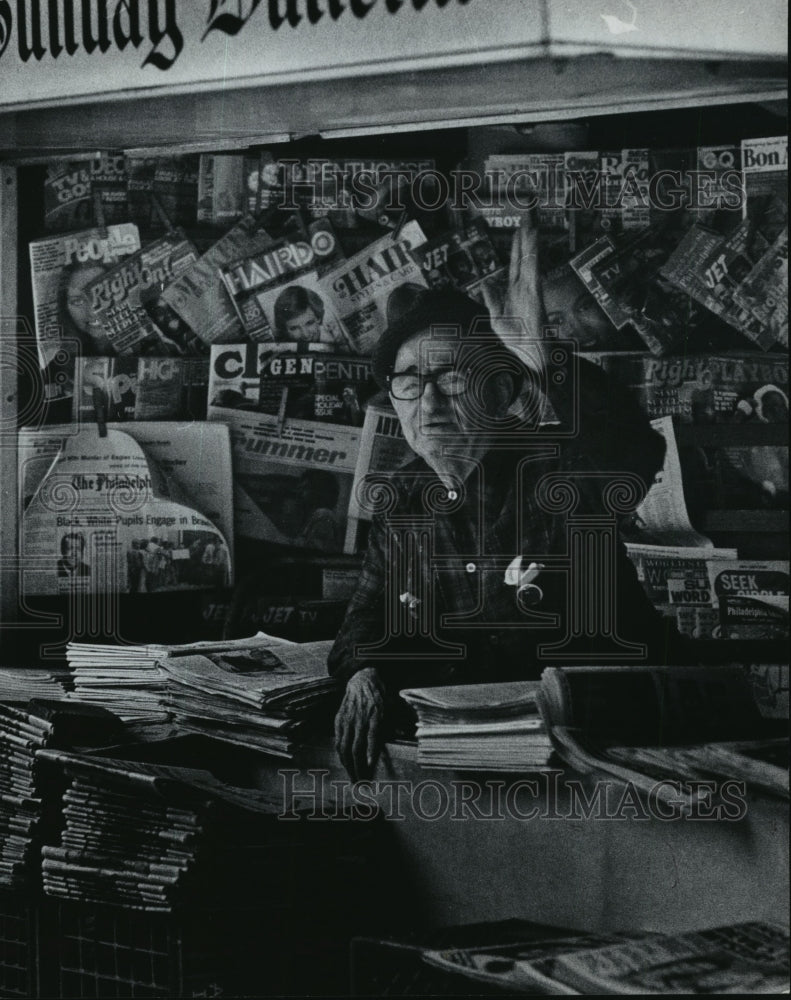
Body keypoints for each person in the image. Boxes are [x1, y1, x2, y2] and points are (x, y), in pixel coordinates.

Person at [330, 221, 684, 782]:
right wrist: (363, 672)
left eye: (451, 379)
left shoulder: (552, 472)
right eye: (409, 381)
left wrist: (546, 363)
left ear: (499, 392)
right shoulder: (403, 500)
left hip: (605, 758)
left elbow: (632, 449)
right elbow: (367, 618)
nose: (427, 401)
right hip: (477, 757)